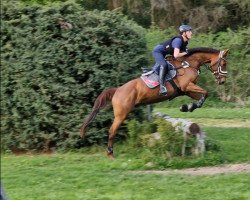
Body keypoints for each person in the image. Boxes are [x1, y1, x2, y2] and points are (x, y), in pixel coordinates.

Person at [152, 24, 193, 95]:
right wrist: (185, 53)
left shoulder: (185, 42)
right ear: (184, 33)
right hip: (158, 51)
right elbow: (176, 55)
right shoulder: (178, 40)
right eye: (189, 31)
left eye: (190, 31)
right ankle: (162, 87)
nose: (191, 33)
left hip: (164, 53)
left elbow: (182, 55)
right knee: (164, 65)